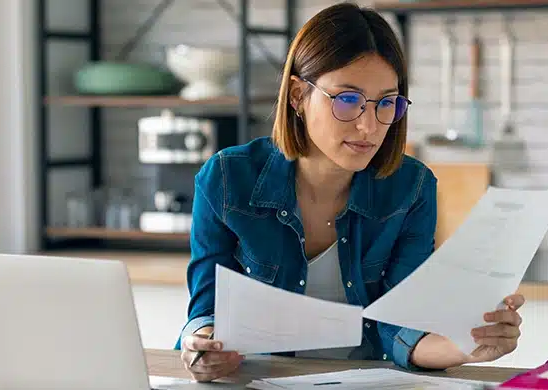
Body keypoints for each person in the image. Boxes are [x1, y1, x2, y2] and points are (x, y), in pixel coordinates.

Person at [175, 2, 525, 382]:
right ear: (297, 95)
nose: (369, 126)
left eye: (386, 103)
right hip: (256, 378)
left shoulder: (413, 187)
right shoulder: (227, 178)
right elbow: (206, 311)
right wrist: (203, 346)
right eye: (347, 99)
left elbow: (401, 327)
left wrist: (467, 344)